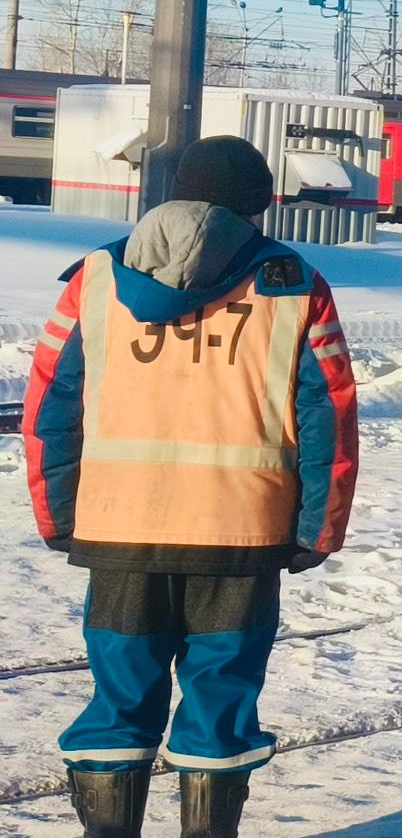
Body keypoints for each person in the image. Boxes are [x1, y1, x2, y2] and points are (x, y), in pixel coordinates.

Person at [24, 136, 360, 837]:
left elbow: (50, 405)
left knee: (119, 698)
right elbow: (327, 414)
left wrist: (59, 515)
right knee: (220, 699)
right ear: (259, 206)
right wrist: (317, 528)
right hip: (240, 536)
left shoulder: (98, 278)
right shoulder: (291, 283)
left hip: (120, 530)